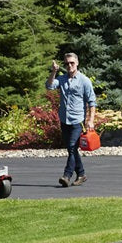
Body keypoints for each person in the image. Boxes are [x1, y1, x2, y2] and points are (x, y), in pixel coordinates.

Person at [46, 53, 96, 187]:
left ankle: (66, 176)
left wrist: (90, 120)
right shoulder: (61, 79)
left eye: (72, 63)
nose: (69, 65)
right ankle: (81, 174)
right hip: (64, 120)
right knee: (71, 149)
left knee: (73, 147)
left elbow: (92, 102)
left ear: (77, 63)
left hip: (78, 121)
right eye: (67, 63)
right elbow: (49, 86)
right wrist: (54, 72)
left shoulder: (84, 81)